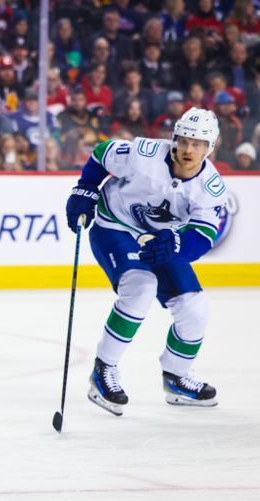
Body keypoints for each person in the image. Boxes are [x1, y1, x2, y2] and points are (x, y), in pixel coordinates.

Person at [65, 107, 224, 416]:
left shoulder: (210, 187)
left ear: (210, 147)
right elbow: (102, 153)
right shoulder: (144, 153)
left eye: (197, 144)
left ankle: (176, 377)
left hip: (161, 242)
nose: (188, 149)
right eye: (184, 140)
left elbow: (204, 234)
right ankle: (103, 371)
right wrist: (85, 188)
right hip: (115, 226)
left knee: (195, 310)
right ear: (174, 138)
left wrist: (177, 244)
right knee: (140, 287)